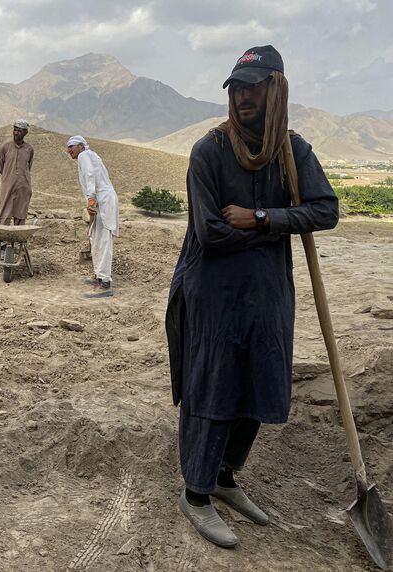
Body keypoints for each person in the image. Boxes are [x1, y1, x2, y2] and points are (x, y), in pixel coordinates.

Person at [165, 45, 339, 548]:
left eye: (254, 86)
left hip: (267, 291)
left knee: (261, 381)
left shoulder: (293, 150)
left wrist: (263, 217)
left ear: (276, 89)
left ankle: (224, 477)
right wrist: (278, 226)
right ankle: (195, 493)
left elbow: (326, 211)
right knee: (213, 387)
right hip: (212, 291)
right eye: (237, 88)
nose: (243, 96)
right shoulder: (209, 151)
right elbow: (212, 233)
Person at [66, 135, 119, 296]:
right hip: (100, 200)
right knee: (95, 238)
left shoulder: (84, 156)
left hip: (103, 200)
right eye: (68, 147)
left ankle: (105, 282)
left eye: (71, 146)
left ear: (81, 146)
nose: (68, 150)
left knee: (103, 240)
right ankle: (99, 276)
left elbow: (90, 175)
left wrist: (90, 199)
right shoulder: (90, 155)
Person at [0, 119, 34, 225]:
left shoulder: (29, 149)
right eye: (15, 130)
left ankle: (18, 237)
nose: (16, 133)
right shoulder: (5, 147)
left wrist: (21, 177)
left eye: (20, 131)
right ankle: (3, 238)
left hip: (23, 185)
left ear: (25, 132)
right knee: (5, 211)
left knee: (21, 212)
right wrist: (10, 176)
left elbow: (28, 167)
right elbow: (0, 167)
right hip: (8, 184)